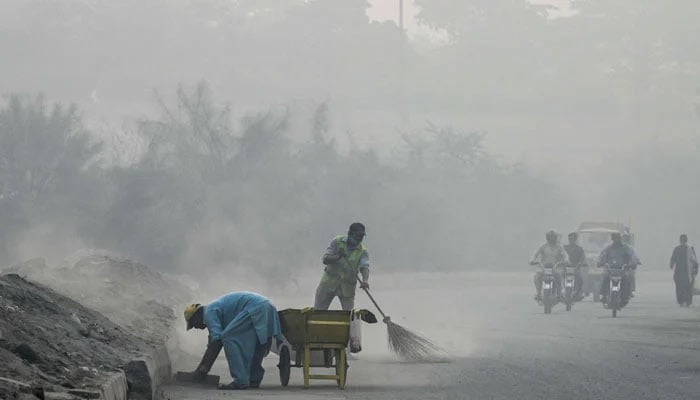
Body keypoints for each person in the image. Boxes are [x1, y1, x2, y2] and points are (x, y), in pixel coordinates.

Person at [183, 291, 283, 390]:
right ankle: (254, 379)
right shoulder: (214, 308)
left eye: (193, 324)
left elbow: (217, 342)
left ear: (196, 316)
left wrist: (203, 370)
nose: (195, 327)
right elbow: (212, 343)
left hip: (255, 307)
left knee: (228, 337)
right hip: (267, 305)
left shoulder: (209, 312)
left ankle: (240, 382)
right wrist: (201, 368)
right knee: (256, 344)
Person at [314, 222, 370, 311]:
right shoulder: (337, 241)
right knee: (318, 312)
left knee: (349, 316)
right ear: (350, 234)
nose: (359, 239)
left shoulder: (362, 251)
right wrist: (338, 257)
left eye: (361, 236)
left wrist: (365, 281)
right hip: (329, 283)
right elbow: (325, 259)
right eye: (357, 236)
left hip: (347, 288)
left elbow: (365, 267)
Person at [598, 232, 640, 304]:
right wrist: (600, 262)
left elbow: (633, 256)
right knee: (604, 278)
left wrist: (633, 263)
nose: (616, 240)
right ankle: (603, 295)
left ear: (620, 239)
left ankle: (627, 295)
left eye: (618, 238)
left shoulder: (627, 248)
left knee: (627, 280)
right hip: (610, 270)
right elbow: (602, 256)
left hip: (622, 270)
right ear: (612, 239)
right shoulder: (608, 248)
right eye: (615, 238)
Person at [530, 230, 570, 301]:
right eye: (550, 237)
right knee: (537, 277)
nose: (552, 239)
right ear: (547, 238)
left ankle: (559, 293)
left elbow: (565, 254)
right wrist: (532, 260)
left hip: (556, 267)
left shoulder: (559, 247)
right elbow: (536, 253)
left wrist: (566, 260)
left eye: (553, 237)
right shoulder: (543, 246)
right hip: (544, 268)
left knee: (559, 277)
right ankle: (538, 293)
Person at [669, 234, 698, 307]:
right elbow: (695, 260)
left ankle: (681, 302)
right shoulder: (690, 248)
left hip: (679, 272)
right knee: (688, 287)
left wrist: (671, 265)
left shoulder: (677, 249)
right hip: (688, 272)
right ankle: (688, 303)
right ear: (686, 240)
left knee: (679, 287)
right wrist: (696, 269)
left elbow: (673, 259)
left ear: (680, 240)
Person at [563, 232, 586, 300]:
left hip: (576, 268)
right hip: (566, 268)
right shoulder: (564, 248)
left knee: (580, 279)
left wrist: (582, 263)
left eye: (572, 239)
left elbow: (583, 258)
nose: (571, 240)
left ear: (575, 239)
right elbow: (560, 256)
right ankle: (559, 291)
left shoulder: (579, 249)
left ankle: (578, 292)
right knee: (559, 277)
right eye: (570, 239)